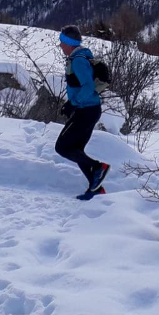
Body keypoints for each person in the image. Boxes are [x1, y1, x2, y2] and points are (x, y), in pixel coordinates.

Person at [55, 25, 110, 199]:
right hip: (89, 109)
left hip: (86, 110)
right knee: (76, 149)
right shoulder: (79, 57)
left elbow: (88, 85)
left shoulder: (78, 60)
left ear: (69, 43)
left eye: (62, 42)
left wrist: (73, 103)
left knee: (62, 147)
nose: (60, 46)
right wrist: (70, 104)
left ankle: (98, 167)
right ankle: (96, 190)